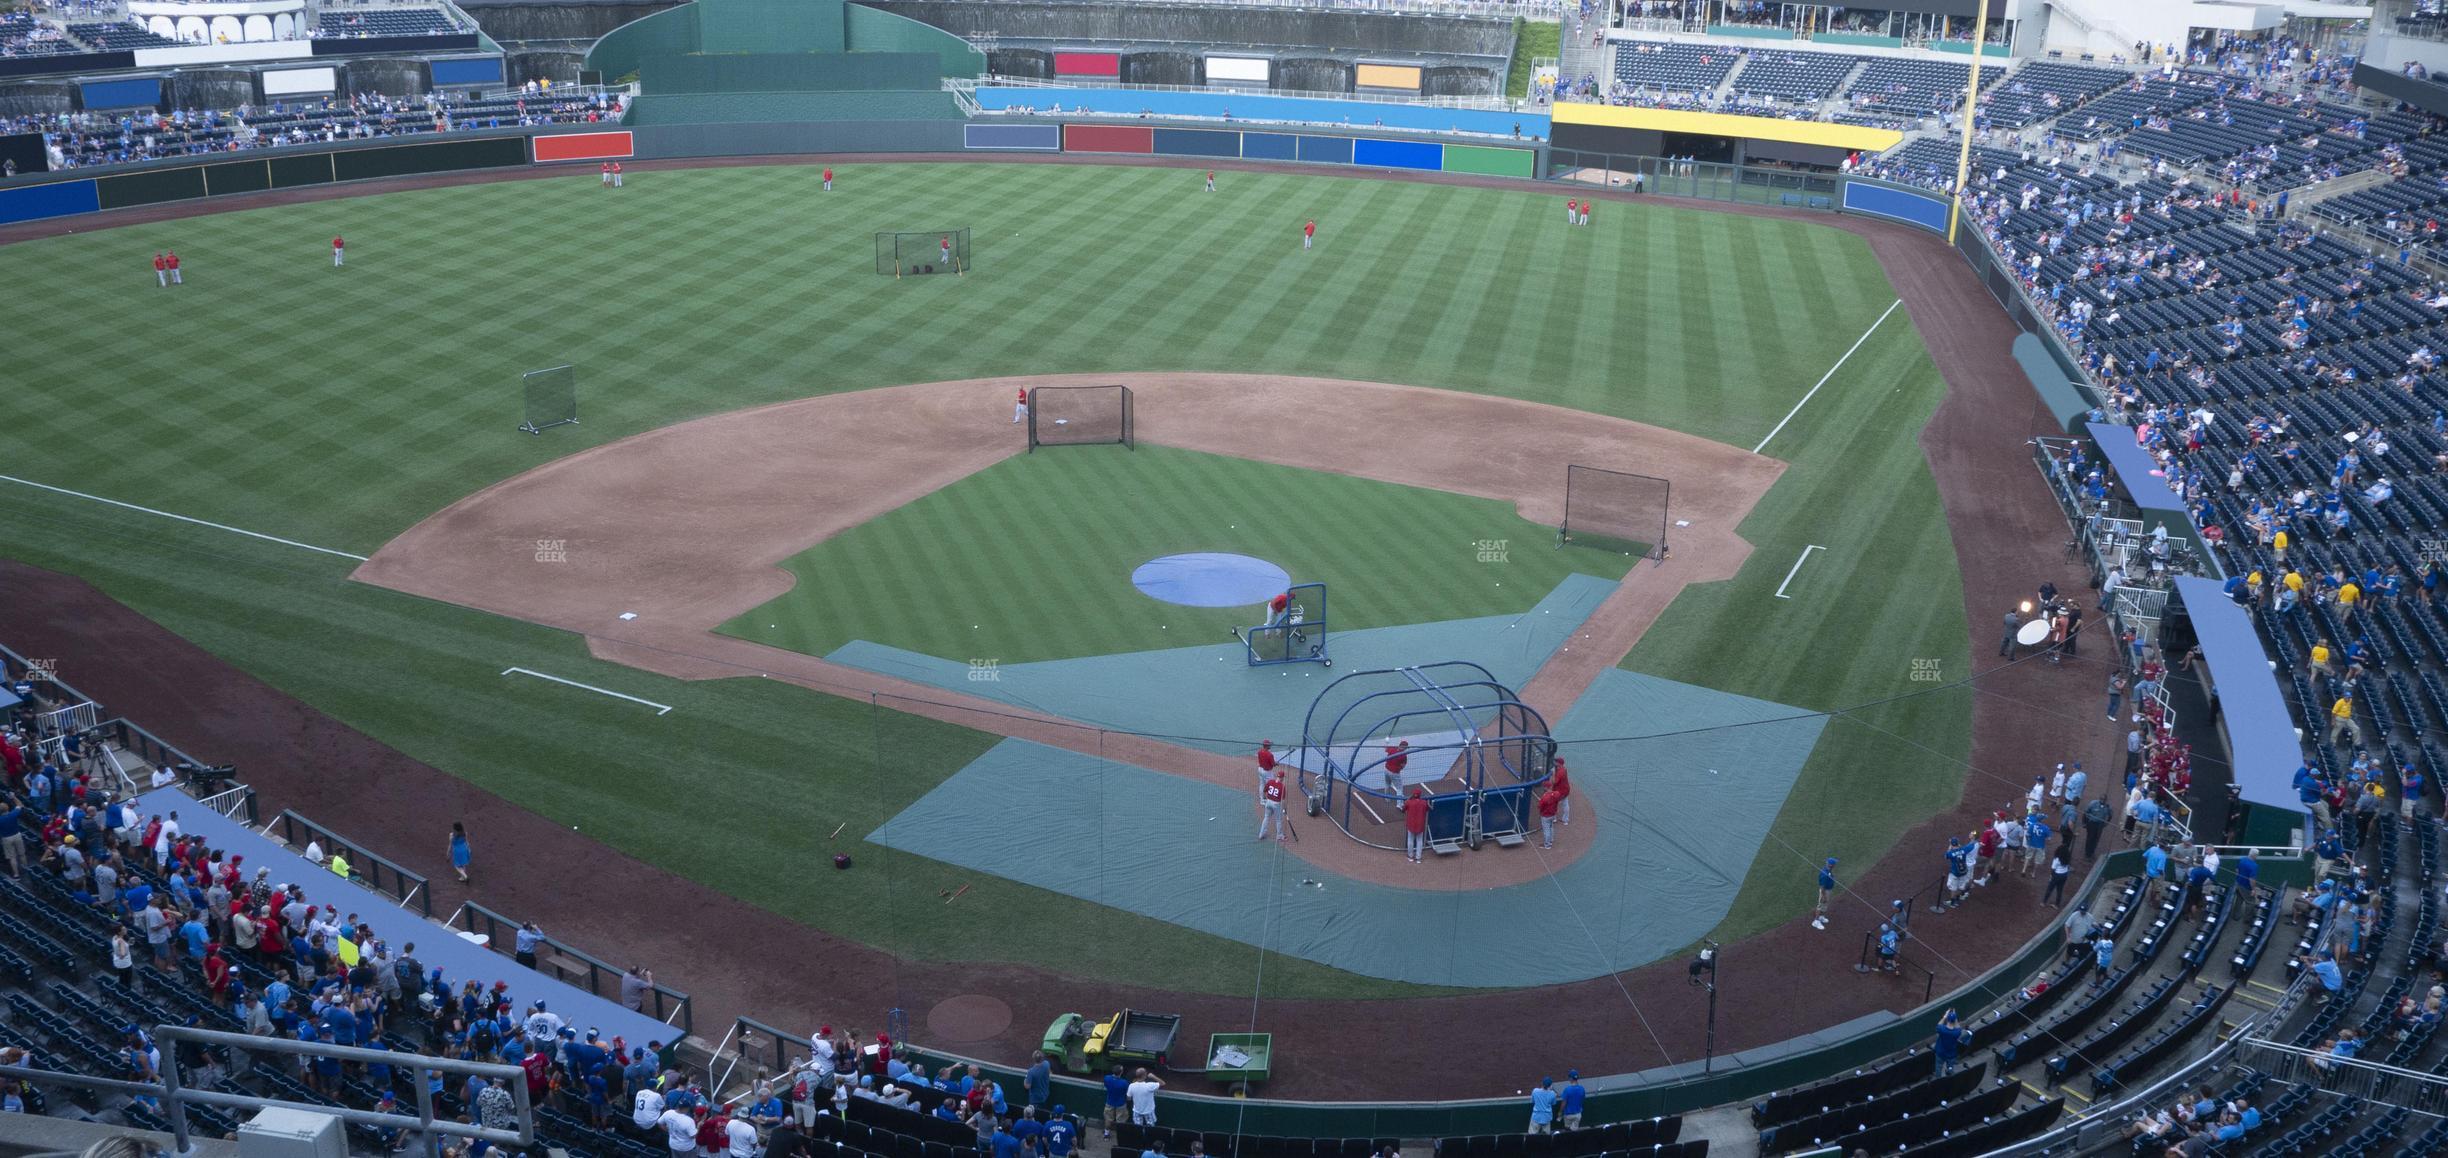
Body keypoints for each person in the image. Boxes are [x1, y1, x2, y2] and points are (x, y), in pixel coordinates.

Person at [1932, 1009, 1965, 1075]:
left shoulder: (1942, 1029)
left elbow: (1938, 1025)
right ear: (1955, 1020)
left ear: (1947, 1019)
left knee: (1938, 1068)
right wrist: (1955, 1017)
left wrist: (1945, 1016)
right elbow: (1958, 1027)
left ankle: (1938, 1082)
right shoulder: (1957, 1032)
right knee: (1950, 1069)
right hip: (1951, 1054)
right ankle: (1949, 1080)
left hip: (1940, 1053)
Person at [1402, 785, 1429, 865]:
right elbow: (1428, 809)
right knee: (1419, 841)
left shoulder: (1409, 802)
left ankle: (1410, 856)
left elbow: (1403, 809)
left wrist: (1408, 800)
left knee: (1410, 840)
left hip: (1411, 825)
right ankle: (1418, 858)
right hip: (1420, 825)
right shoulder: (1424, 803)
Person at [1258, 769, 1287, 842]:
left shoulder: (1270, 782)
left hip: (1268, 802)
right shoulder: (1282, 786)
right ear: (1282, 778)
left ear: (1277, 776)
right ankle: (1279, 835)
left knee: (1266, 817)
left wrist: (1265, 799)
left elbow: (1264, 791)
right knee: (1278, 820)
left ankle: (1261, 834)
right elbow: (1283, 800)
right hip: (1276, 804)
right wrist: (1284, 809)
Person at [1100, 1065, 1127, 1138]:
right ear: (1121, 1072)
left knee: (1108, 1119)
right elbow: (1126, 1092)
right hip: (1121, 1104)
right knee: (1121, 1121)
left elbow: (1106, 1084)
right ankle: (1120, 1135)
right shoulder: (1124, 1082)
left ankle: (1106, 1134)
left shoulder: (1107, 1078)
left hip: (1109, 1102)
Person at [1813, 857, 1836, 930]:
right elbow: (1822, 887)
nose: (1835, 865)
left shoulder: (1828, 870)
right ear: (1831, 865)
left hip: (1828, 890)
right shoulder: (1825, 874)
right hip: (1825, 891)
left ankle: (1821, 917)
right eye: (1834, 864)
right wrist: (1824, 896)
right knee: (1821, 905)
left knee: (1825, 904)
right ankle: (1816, 921)